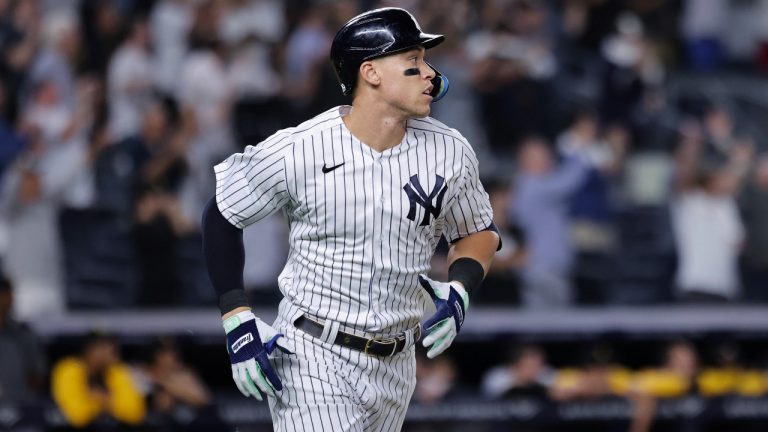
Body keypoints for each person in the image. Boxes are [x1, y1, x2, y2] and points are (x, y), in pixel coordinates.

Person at [201, 7, 499, 431]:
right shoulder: (300, 148)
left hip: (397, 365)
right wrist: (236, 317)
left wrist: (460, 292)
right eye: (413, 62)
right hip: (313, 354)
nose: (431, 73)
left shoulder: (450, 150)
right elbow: (222, 213)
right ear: (371, 72)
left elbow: (478, 233)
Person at [51, 331, 146, 428]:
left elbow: (135, 414)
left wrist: (101, 399)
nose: (115, 351)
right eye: (108, 346)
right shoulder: (69, 369)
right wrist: (108, 403)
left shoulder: (116, 371)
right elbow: (78, 415)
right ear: (92, 350)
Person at [0, 275, 46, 404]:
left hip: (21, 410)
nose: (6, 299)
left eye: (6, 294)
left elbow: (37, 377)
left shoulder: (24, 334)